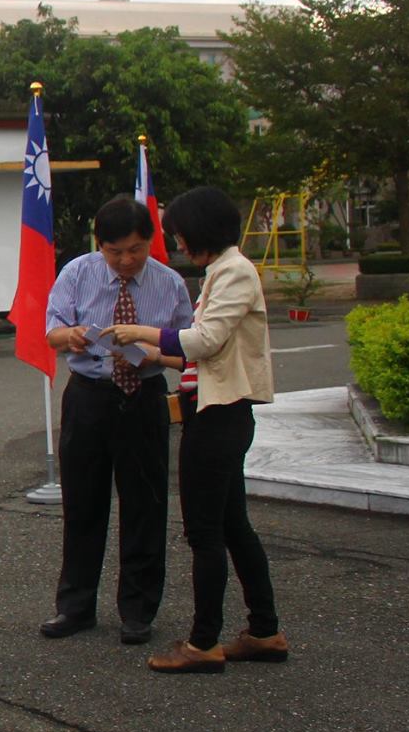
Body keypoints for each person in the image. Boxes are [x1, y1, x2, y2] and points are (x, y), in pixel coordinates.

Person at [104, 185, 286, 674]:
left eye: (182, 234)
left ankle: (204, 642)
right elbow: (196, 352)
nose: (180, 244)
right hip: (215, 408)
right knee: (232, 527)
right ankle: (264, 630)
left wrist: (139, 331)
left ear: (202, 229)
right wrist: (149, 352)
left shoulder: (234, 272)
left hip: (218, 416)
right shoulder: (220, 272)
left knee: (205, 533)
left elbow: (203, 341)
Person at [38, 195, 195, 645]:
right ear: (99, 245)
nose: (126, 261)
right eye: (115, 251)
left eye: (136, 249)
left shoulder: (169, 284)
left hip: (143, 397)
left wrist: (155, 353)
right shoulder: (77, 273)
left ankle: (138, 610)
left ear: (150, 242)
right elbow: (52, 333)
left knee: (145, 505)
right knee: (83, 505)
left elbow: (187, 346)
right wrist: (75, 337)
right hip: (89, 398)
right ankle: (75, 607)